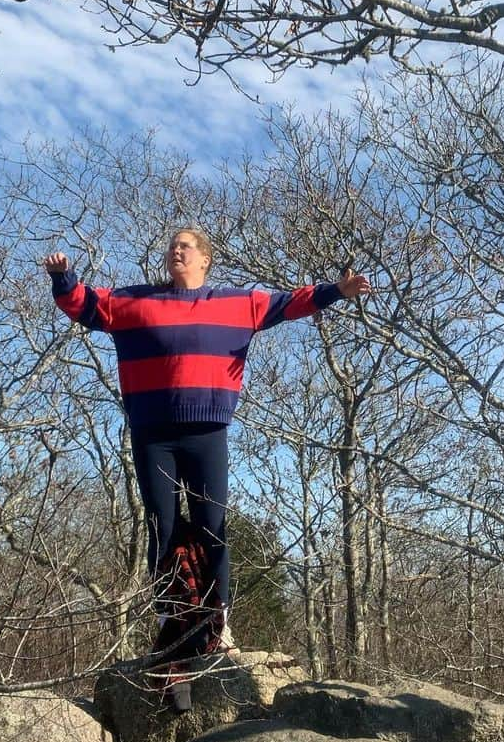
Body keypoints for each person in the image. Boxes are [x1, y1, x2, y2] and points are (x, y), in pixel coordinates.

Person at [44, 228, 370, 675]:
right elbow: (82, 304)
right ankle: (171, 616)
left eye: (186, 246)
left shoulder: (238, 303)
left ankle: (219, 622)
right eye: (171, 246)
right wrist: (63, 277)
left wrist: (338, 290)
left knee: (212, 525)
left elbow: (293, 302)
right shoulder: (134, 301)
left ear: (205, 260)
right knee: (161, 522)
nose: (176, 251)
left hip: (208, 429)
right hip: (153, 431)